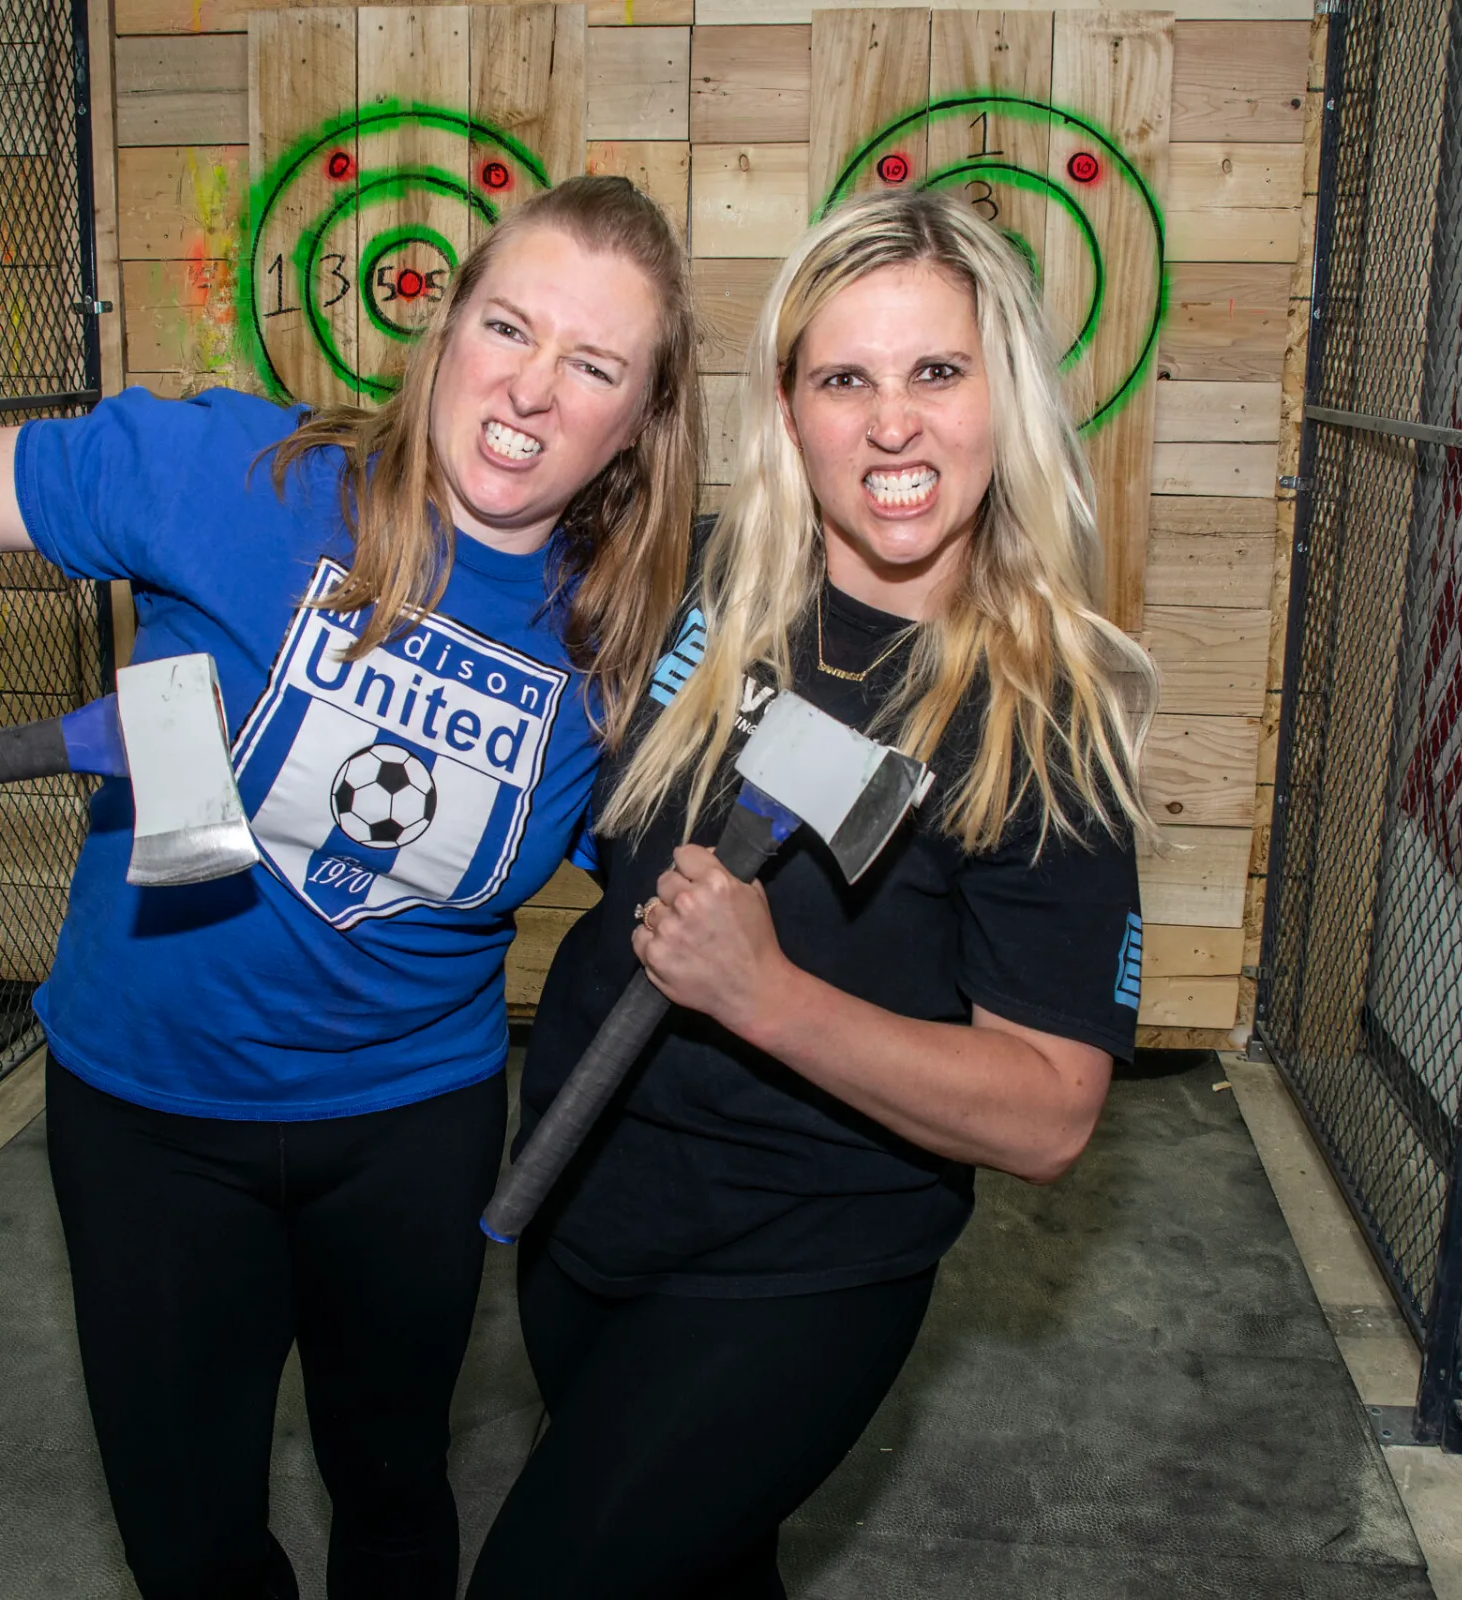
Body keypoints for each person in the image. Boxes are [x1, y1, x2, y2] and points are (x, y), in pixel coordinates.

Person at [0, 176, 699, 1600]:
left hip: (409, 1126)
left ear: (638, 421)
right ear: (445, 325)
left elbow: (684, 857)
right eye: (506, 326)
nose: (531, 389)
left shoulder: (627, 636)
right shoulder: (246, 476)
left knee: (395, 1490)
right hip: (152, 1115)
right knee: (192, 1539)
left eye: (593, 365)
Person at [467, 187, 1158, 1599]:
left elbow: (1049, 1113)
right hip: (586, 1191)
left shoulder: (1045, 718)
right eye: (846, 378)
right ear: (791, 410)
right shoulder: (706, 583)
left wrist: (771, 1000)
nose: (891, 423)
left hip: (799, 1257)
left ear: (1003, 398)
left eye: (936, 373)